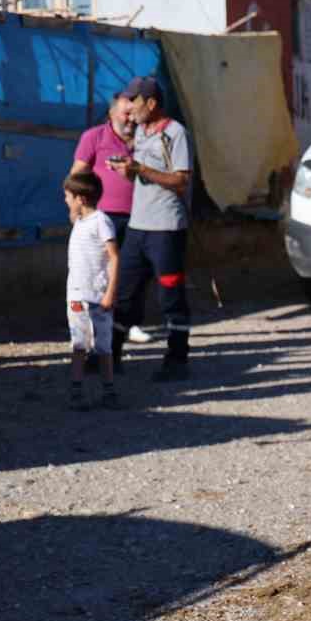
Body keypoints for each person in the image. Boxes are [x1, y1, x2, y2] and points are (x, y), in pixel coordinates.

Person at [108, 76, 192, 380]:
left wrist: (140, 169)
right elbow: (145, 178)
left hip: (166, 228)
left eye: (136, 101)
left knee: (170, 295)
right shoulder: (142, 133)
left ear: (152, 104)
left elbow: (181, 180)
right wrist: (127, 171)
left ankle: (177, 360)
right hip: (138, 226)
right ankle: (110, 356)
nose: (130, 108)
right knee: (124, 294)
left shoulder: (175, 133)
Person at [71, 94, 150, 345]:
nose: (131, 118)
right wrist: (75, 209)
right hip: (102, 219)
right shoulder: (94, 137)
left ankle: (131, 322)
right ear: (112, 113)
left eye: (134, 113)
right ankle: (93, 325)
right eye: (126, 113)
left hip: (141, 216)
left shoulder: (146, 140)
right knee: (99, 273)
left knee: (136, 273)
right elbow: (77, 175)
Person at [61, 171, 121, 410]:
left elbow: (114, 257)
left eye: (68, 196)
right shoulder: (80, 222)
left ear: (81, 199)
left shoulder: (102, 221)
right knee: (78, 344)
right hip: (76, 296)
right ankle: (77, 390)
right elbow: (72, 215)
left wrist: (110, 293)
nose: (65, 200)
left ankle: (109, 390)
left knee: (103, 347)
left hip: (98, 297)